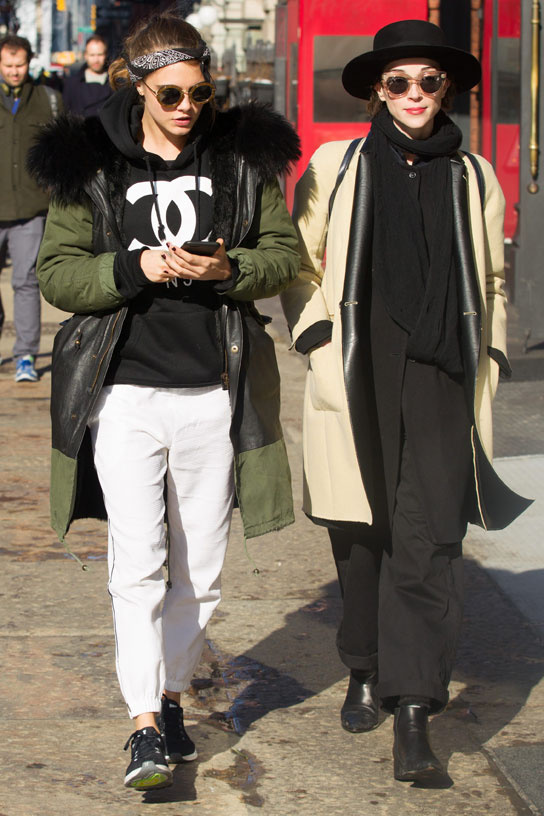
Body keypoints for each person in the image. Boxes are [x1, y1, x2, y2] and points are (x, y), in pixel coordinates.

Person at [28, 10, 299, 791]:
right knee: (139, 565)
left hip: (215, 392)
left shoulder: (239, 157)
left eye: (200, 93)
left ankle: (173, 696)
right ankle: (144, 723)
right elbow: (57, 273)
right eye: (172, 94)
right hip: (125, 394)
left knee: (202, 571)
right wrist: (132, 269)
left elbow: (283, 253)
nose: (188, 107)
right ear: (138, 86)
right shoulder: (92, 162)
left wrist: (229, 270)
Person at [281, 19, 531, 784]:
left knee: (428, 546)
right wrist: (317, 339)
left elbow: (492, 281)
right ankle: (362, 664)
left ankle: (415, 710)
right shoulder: (336, 165)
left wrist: (491, 353)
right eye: (399, 82)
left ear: (445, 89)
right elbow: (298, 262)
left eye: (428, 82)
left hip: (441, 379)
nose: (415, 94)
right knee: (361, 540)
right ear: (378, 91)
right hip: (356, 369)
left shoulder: (474, 176)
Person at [0, 34, 62, 381]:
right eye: (8, 65)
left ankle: (25, 354)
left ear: (29, 63)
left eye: (19, 64)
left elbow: (62, 151)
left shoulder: (48, 100)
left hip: (31, 207)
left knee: (25, 282)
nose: (14, 71)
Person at [63, 34, 112, 117]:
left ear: (106, 55)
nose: (96, 60)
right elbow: (66, 113)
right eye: (92, 55)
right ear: (85, 55)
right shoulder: (72, 84)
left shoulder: (114, 83)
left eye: (100, 55)